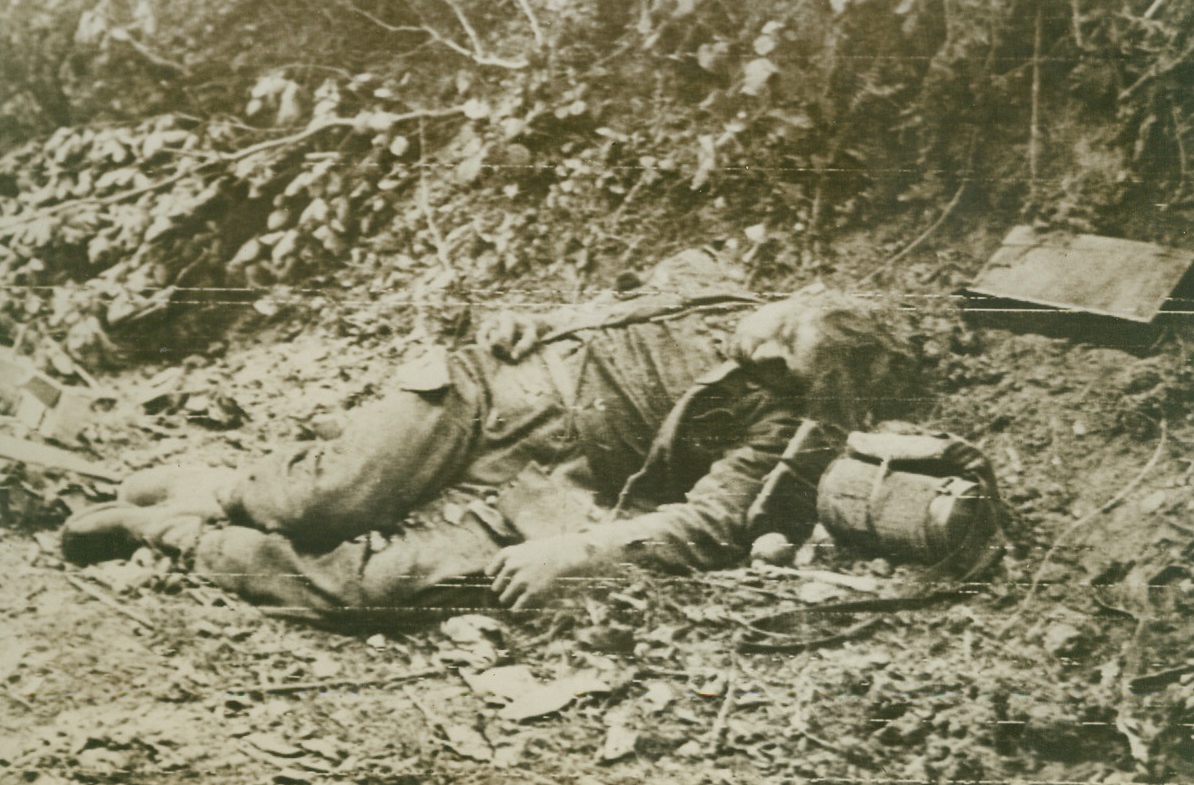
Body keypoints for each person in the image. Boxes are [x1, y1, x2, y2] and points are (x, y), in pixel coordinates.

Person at [61, 251, 914, 627]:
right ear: (790, 298)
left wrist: (584, 552)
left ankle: (167, 529)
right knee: (323, 500)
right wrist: (533, 319)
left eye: (784, 363)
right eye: (776, 329)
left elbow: (708, 526)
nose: (759, 351)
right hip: (486, 392)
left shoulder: (779, 424)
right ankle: (221, 486)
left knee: (366, 592)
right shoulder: (710, 292)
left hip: (546, 486)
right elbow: (598, 309)